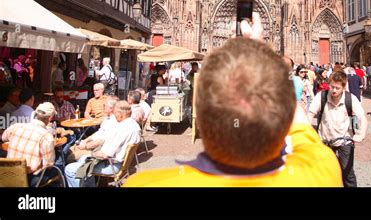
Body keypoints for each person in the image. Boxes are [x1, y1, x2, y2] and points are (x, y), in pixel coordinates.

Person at [124, 13, 342, 187]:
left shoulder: (143, 183)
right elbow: (299, 124)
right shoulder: (320, 171)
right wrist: (259, 51)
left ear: (203, 121)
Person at [307, 71, 368, 187]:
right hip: (325, 139)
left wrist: (361, 134)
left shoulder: (350, 99)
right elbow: (310, 114)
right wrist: (307, 132)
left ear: (344, 87)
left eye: (337, 88)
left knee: (348, 173)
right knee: (324, 172)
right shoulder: (322, 96)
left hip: (345, 140)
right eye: (332, 87)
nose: (334, 90)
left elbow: (362, 118)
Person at [65, 101, 141, 187]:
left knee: (70, 169)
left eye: (115, 113)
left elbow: (104, 154)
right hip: (121, 164)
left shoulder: (121, 130)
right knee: (84, 159)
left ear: (120, 114)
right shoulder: (135, 126)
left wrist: (89, 152)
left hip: (112, 165)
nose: (114, 115)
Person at [2, 102, 58, 186]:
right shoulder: (46, 136)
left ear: (35, 113)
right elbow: (48, 164)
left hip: (8, 174)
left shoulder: (16, 127)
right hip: (29, 178)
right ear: (50, 118)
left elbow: (3, 138)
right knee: (58, 169)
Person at [69, 96, 119, 161]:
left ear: (111, 108)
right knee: (70, 150)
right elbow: (98, 132)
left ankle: (72, 169)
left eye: (104, 105)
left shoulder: (113, 121)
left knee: (71, 157)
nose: (102, 107)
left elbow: (101, 141)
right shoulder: (107, 118)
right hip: (93, 144)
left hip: (98, 150)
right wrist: (85, 141)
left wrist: (86, 146)